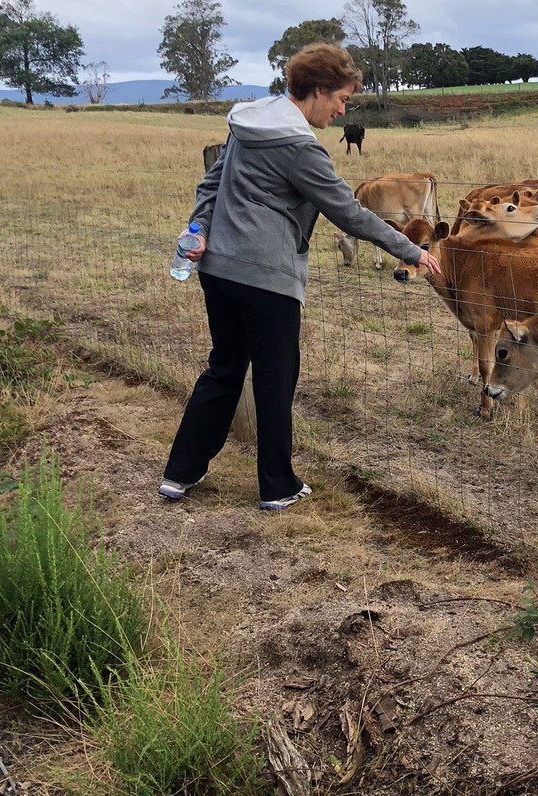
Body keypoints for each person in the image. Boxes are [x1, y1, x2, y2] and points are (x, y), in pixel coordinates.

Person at [159, 43, 442, 511]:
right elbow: (350, 213)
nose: (342, 109)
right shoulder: (299, 148)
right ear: (317, 90)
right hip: (267, 278)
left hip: (218, 271)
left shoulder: (248, 122)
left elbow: (211, 184)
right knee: (275, 378)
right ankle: (277, 487)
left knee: (224, 368)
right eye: (342, 99)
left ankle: (179, 474)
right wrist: (412, 250)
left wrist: (200, 229)